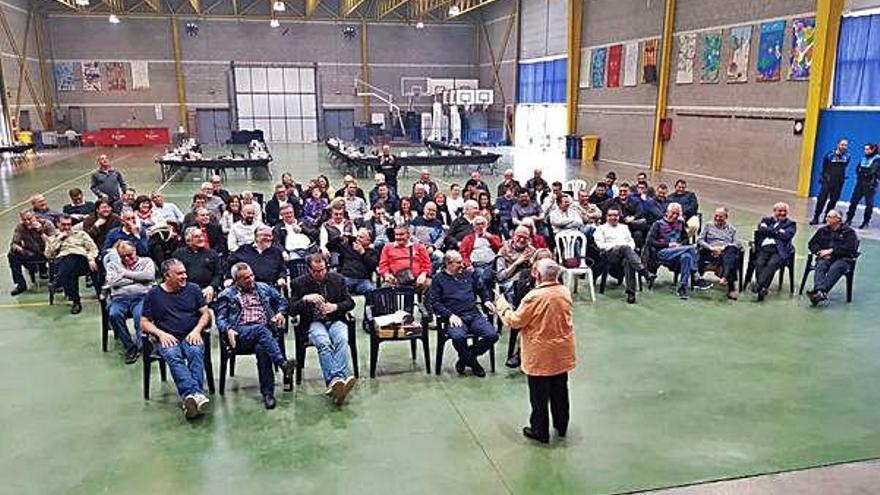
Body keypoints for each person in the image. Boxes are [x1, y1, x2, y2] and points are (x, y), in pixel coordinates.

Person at [494, 258, 575, 444]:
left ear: (537, 274)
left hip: (540, 353)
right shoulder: (564, 291)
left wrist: (501, 304)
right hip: (562, 351)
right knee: (560, 390)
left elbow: (515, 321)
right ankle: (561, 425)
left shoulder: (534, 297)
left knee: (539, 395)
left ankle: (539, 430)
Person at [215, 262, 296, 409]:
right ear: (236, 280)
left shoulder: (263, 287)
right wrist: (227, 329)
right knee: (261, 330)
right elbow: (220, 318)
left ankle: (268, 394)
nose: (251, 279)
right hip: (240, 333)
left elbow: (283, 301)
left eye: (251, 275)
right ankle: (282, 364)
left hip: (262, 334)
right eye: (245, 278)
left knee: (262, 348)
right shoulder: (226, 295)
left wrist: (280, 313)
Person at [140, 259, 212, 419]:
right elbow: (144, 322)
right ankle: (196, 395)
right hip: (168, 337)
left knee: (195, 352)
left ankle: (190, 397)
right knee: (173, 356)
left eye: (185, 272)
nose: (184, 276)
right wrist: (161, 334)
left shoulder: (193, 289)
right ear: (167, 276)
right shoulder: (153, 294)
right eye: (179, 274)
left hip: (190, 334)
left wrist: (197, 330)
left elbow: (206, 313)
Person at [289, 253, 358, 405]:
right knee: (324, 343)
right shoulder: (298, 283)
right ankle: (336, 381)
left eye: (322, 270)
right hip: (313, 322)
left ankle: (336, 381)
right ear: (309, 270)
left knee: (342, 339)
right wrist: (304, 299)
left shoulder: (337, 279)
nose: (320, 274)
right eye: (316, 271)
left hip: (335, 319)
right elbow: (291, 310)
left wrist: (335, 307)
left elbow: (350, 303)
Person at [431, 250, 498, 377]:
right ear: (448, 264)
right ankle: (473, 363)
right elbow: (435, 303)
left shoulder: (468, 275)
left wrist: (487, 300)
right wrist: (449, 315)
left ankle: (465, 359)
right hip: (455, 317)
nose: (463, 265)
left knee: (492, 335)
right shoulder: (438, 279)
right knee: (458, 337)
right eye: (458, 263)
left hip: (473, 314)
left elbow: (481, 289)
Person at [643, 203, 713, 300]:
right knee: (691, 248)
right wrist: (668, 244)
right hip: (663, 252)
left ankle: (682, 288)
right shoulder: (658, 224)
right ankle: (696, 276)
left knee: (686, 257)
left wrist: (680, 244)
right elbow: (650, 241)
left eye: (677, 214)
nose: (675, 216)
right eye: (673, 213)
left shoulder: (680, 224)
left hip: (678, 251)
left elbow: (685, 239)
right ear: (667, 212)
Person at [105, 241, 155, 364]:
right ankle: (130, 347)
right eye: (123, 256)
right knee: (113, 315)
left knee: (140, 316)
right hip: (119, 299)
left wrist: (124, 274)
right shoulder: (112, 265)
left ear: (135, 251)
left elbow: (149, 276)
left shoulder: (146, 261)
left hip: (141, 297)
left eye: (129, 255)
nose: (127, 259)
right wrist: (137, 279)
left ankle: (141, 345)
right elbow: (113, 282)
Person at [43, 214, 99, 314]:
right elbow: (49, 255)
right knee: (69, 267)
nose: (67, 227)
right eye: (64, 225)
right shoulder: (52, 238)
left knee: (71, 260)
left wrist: (91, 259)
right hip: (62, 263)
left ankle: (60, 285)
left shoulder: (81, 234)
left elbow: (93, 248)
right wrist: (59, 239)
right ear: (58, 224)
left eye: (69, 224)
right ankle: (74, 299)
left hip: (82, 261)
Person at [595, 208, 653, 304]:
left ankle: (631, 293)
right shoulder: (600, 228)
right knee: (625, 248)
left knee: (628, 260)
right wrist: (618, 246)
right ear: (606, 217)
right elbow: (600, 245)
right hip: (610, 254)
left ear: (619, 217)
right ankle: (644, 272)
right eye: (610, 215)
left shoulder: (624, 227)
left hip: (626, 254)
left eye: (615, 215)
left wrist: (626, 248)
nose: (613, 218)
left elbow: (631, 242)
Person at [805, 210, 859, 306]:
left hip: (843, 259)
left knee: (836, 267)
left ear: (838, 219)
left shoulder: (849, 233)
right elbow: (812, 244)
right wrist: (819, 252)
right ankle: (821, 292)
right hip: (825, 257)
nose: (826, 219)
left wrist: (832, 251)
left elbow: (850, 249)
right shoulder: (822, 231)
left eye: (830, 217)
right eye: (827, 216)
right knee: (821, 265)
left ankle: (819, 292)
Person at [752, 202, 797, 301]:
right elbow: (761, 230)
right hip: (765, 248)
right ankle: (763, 288)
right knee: (759, 263)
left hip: (779, 250)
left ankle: (759, 286)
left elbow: (786, 236)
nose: (782, 213)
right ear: (774, 211)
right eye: (780, 211)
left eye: (784, 211)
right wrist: (777, 231)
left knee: (772, 264)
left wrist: (769, 231)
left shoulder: (791, 224)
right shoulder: (766, 220)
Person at [697, 207, 742, 300]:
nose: (717, 218)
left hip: (725, 252)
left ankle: (728, 283)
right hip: (710, 251)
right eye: (716, 216)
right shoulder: (708, 226)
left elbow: (737, 243)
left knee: (731, 251)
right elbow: (700, 240)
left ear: (726, 217)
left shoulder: (731, 229)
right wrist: (711, 248)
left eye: (720, 217)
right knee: (731, 260)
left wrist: (722, 248)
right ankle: (728, 282)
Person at [8, 211, 56, 296]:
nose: (27, 222)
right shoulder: (20, 227)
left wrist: (40, 231)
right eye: (24, 220)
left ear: (35, 217)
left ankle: (55, 282)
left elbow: (53, 243)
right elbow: (14, 243)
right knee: (12, 255)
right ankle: (21, 284)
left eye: (29, 219)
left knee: (56, 255)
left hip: (48, 252)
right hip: (31, 252)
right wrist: (19, 249)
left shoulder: (47, 224)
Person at [172, 227, 223, 304]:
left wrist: (212, 287)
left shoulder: (212, 254)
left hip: (207, 290)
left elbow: (218, 274)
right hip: (185, 290)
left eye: (201, 236)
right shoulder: (179, 254)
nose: (201, 238)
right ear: (188, 241)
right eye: (197, 237)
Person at [378, 223, 432, 293]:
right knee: (385, 288)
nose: (398, 237)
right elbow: (383, 265)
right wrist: (386, 274)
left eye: (401, 234)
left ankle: (426, 304)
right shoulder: (387, 247)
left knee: (430, 284)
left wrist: (423, 274)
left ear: (408, 235)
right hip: (395, 281)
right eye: (396, 235)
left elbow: (427, 264)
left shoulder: (419, 247)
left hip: (417, 280)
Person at [811, 139, 851, 225]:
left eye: (845, 145)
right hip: (828, 181)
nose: (844, 147)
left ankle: (827, 217)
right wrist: (823, 178)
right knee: (821, 199)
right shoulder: (830, 155)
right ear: (838, 145)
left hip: (839, 182)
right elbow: (824, 167)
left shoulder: (847, 156)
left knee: (834, 200)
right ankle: (816, 217)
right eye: (842, 144)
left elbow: (844, 166)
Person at [330, 228, 378, 296]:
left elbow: (373, 266)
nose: (357, 239)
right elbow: (330, 247)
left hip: (363, 280)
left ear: (368, 241)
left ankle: (369, 307)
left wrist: (362, 253)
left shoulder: (372, 252)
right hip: (347, 277)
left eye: (361, 237)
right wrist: (339, 238)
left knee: (371, 291)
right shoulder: (348, 246)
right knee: (338, 290)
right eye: (357, 236)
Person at [495, 226, 537, 301]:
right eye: (519, 236)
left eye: (525, 238)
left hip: (529, 281)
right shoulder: (503, 251)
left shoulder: (532, 251)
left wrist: (531, 262)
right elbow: (500, 277)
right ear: (513, 236)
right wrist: (517, 262)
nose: (522, 240)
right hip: (511, 283)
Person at [460, 216, 502, 289]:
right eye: (477, 224)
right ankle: (487, 299)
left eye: (482, 224)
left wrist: (490, 238)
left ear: (486, 225)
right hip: (477, 265)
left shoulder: (493, 237)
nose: (480, 226)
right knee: (483, 278)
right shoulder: (468, 238)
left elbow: (499, 249)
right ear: (474, 227)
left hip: (492, 264)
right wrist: (468, 265)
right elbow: (463, 253)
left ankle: (487, 299)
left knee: (487, 277)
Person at [844, 143, 880, 229]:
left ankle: (865, 222)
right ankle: (848, 219)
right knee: (853, 202)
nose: (865, 151)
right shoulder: (863, 158)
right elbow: (857, 169)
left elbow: (872, 171)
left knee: (869, 204)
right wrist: (862, 172)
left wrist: (863, 172)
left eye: (867, 149)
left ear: (872, 150)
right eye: (865, 149)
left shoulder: (877, 159)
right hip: (860, 183)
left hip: (870, 185)